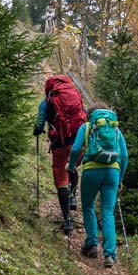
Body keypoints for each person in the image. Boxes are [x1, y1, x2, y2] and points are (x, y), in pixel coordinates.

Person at [70, 103, 128, 268]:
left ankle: (92, 244)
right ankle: (109, 254)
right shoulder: (116, 129)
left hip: (91, 172)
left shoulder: (87, 126)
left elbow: (75, 149)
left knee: (88, 207)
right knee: (107, 211)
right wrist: (120, 178)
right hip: (112, 173)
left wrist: (72, 165)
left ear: (90, 115)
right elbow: (124, 156)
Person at [33, 75, 87, 233]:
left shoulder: (47, 103)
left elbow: (39, 124)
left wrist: (37, 131)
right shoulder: (76, 97)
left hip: (60, 145)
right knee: (73, 168)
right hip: (79, 142)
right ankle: (72, 197)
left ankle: (68, 221)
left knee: (62, 179)